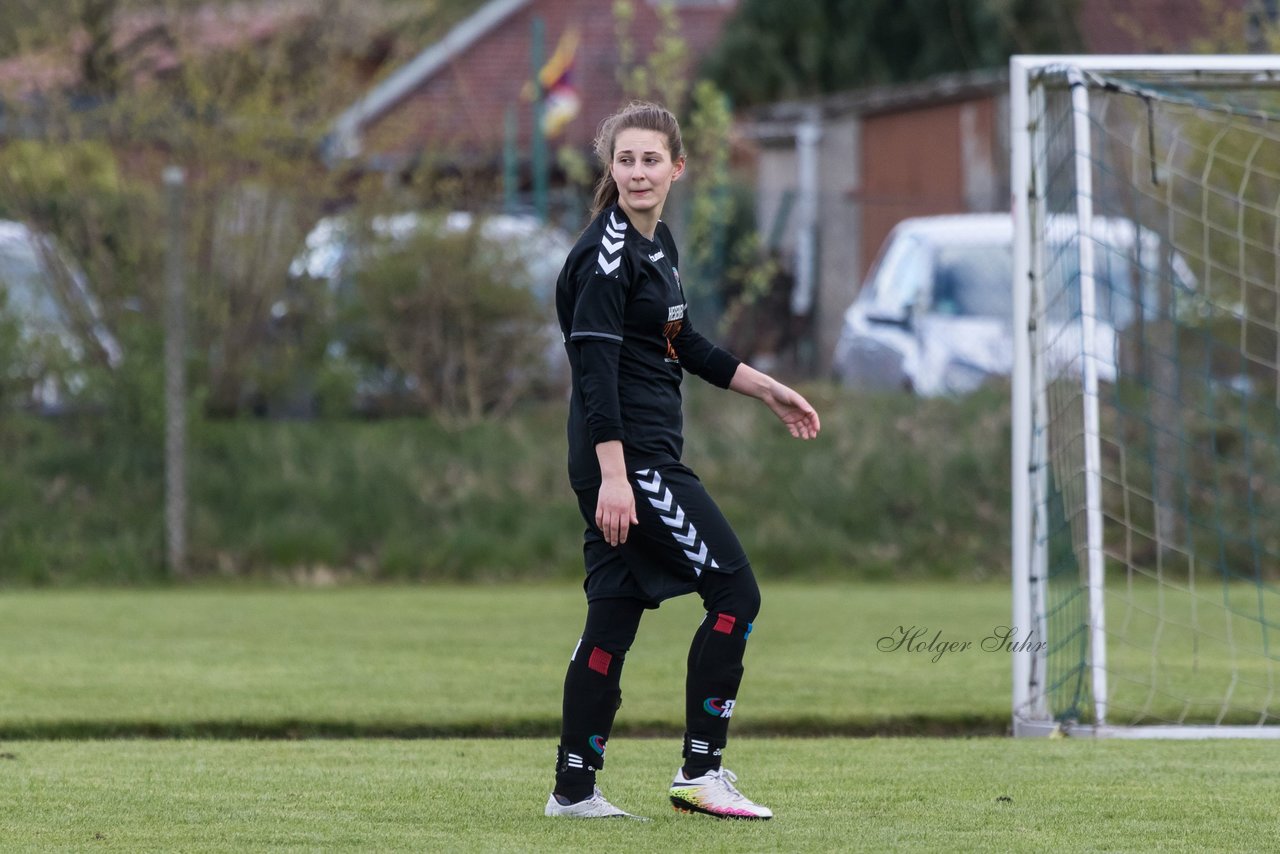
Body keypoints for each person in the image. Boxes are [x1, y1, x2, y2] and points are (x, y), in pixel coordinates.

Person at [545, 101, 821, 821]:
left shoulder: (656, 242)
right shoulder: (607, 254)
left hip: (633, 460)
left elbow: (683, 342)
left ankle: (573, 792)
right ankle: (702, 772)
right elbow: (594, 368)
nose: (638, 172)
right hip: (632, 463)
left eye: (650, 160)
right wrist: (614, 473)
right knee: (736, 594)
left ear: (677, 167)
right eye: (626, 159)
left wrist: (765, 388)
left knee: (612, 616)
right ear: (611, 167)